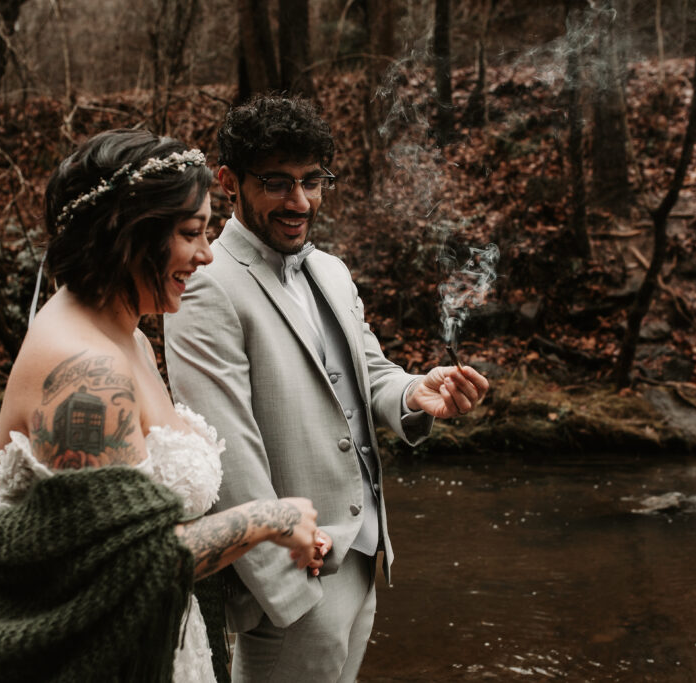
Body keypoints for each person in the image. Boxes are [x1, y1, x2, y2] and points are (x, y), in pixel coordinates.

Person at [0, 128, 330, 683]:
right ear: (128, 236)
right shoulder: (83, 377)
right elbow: (129, 567)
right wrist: (268, 520)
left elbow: (147, 526)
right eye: (191, 233)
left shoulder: (128, 334)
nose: (207, 255)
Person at [164, 95, 491, 682]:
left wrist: (419, 392)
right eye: (278, 183)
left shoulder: (332, 271)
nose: (301, 202)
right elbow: (227, 450)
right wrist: (286, 593)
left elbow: (371, 373)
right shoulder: (205, 286)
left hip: (365, 559)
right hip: (293, 582)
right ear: (228, 182)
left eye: (313, 181)